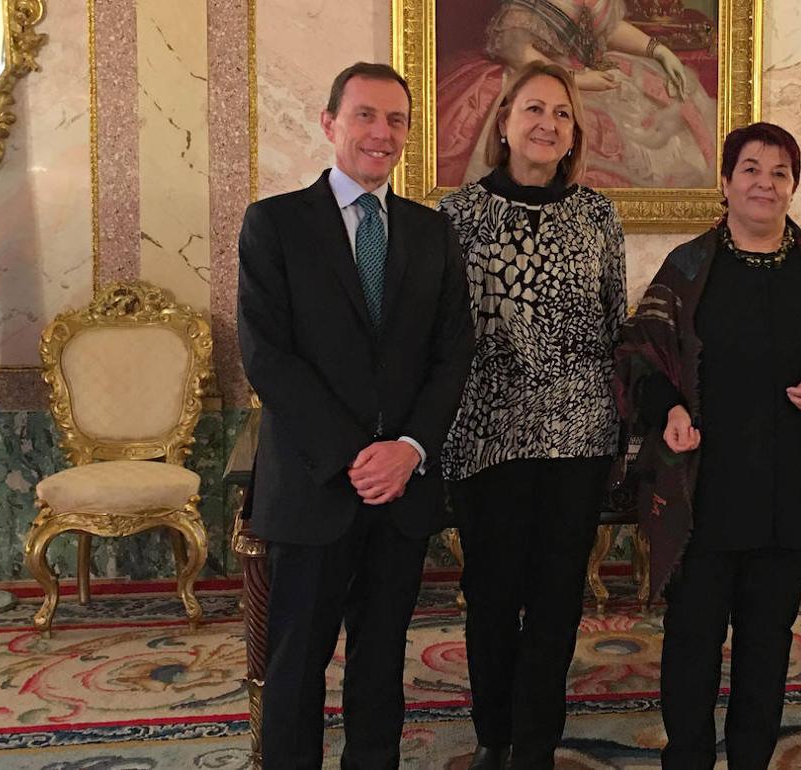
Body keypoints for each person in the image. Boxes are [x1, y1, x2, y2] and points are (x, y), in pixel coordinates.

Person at [614, 122, 801, 770]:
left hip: (789, 492)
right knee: (692, 640)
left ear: (794, 186)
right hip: (703, 489)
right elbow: (637, 354)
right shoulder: (687, 267)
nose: (765, 183)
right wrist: (670, 408)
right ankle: (686, 758)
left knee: (768, 642)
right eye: (751, 169)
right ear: (726, 182)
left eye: (780, 173)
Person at [237, 62, 473, 769]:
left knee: (380, 667)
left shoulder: (434, 232)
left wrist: (407, 447)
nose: (383, 133)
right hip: (314, 487)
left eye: (397, 120)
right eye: (367, 115)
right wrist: (353, 454)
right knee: (295, 667)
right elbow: (267, 355)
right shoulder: (274, 224)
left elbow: (453, 354)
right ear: (330, 123)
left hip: (401, 490)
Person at [438, 61, 627, 770]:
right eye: (534, 109)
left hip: (578, 435)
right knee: (490, 594)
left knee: (555, 598)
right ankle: (494, 734)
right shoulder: (458, 216)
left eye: (562, 113)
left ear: (574, 133)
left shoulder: (597, 214)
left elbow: (615, 322)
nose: (548, 123)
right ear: (506, 120)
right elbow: (444, 334)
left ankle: (537, 742)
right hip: (486, 434)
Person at [435, 0, 718, 188]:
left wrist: (658, 50)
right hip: (540, 78)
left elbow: (606, 31)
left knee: (671, 104)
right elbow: (518, 52)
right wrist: (579, 80)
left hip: (592, 71)